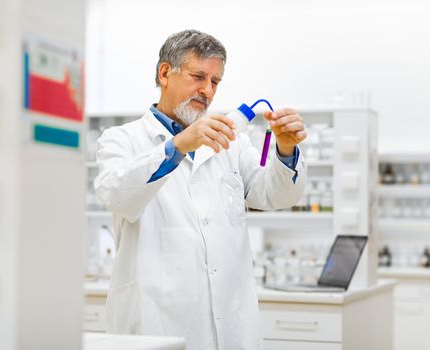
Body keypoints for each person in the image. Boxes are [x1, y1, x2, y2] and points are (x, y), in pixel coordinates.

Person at [94, 29, 307, 350]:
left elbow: (276, 195)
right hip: (157, 320)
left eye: (215, 82)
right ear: (165, 73)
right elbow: (118, 195)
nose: (207, 91)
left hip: (231, 320)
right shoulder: (122, 140)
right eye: (198, 77)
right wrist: (178, 146)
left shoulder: (232, 140)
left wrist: (286, 150)